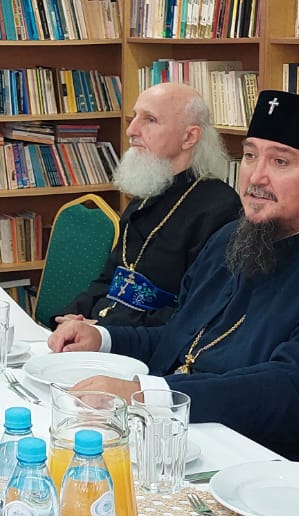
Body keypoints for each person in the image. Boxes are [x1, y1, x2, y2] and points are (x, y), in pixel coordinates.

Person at [48, 90, 299, 466]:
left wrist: (145, 394)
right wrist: (104, 339)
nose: (256, 176)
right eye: (250, 156)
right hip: (182, 433)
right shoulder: (232, 238)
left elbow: (294, 390)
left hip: (270, 463)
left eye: (280, 161)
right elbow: (181, 338)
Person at [57, 82, 241, 330]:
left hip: (149, 345)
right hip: (103, 331)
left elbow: (195, 313)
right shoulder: (148, 191)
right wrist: (70, 317)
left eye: (150, 120)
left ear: (189, 137)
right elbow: (109, 279)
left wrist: (104, 330)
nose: (131, 130)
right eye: (134, 117)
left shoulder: (221, 209)